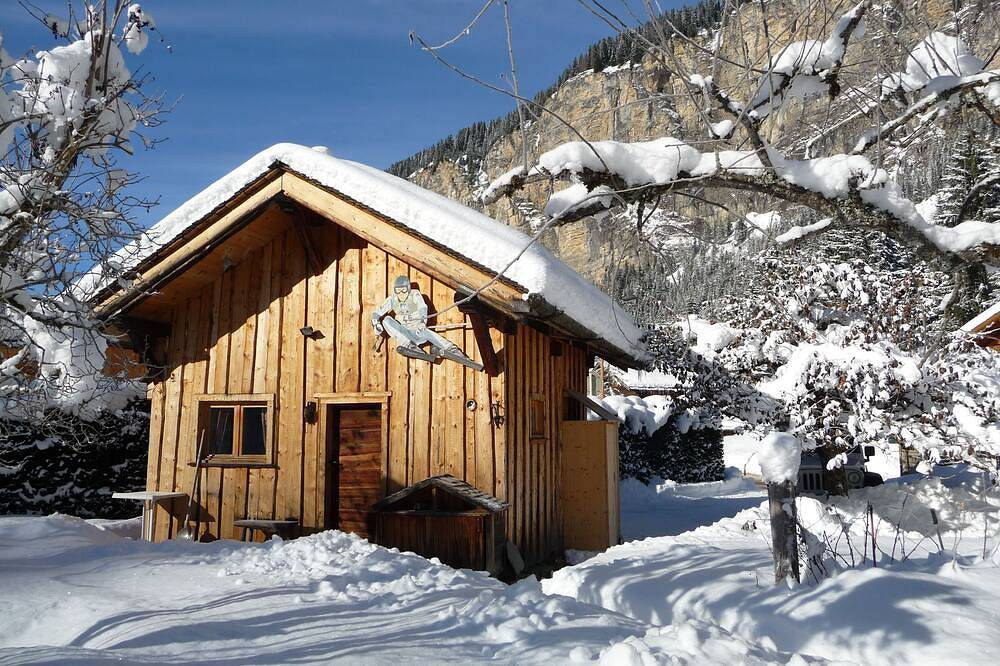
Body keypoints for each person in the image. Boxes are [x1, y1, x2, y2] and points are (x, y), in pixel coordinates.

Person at [371, 276, 461, 359]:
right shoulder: (393, 299)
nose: (401, 294)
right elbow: (377, 313)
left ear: (408, 289)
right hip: (404, 331)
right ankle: (409, 345)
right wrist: (376, 323)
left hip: (416, 329)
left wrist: (422, 322)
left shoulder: (415, 295)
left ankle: (451, 348)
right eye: (398, 291)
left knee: (427, 332)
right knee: (386, 320)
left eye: (403, 290)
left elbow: (422, 307)